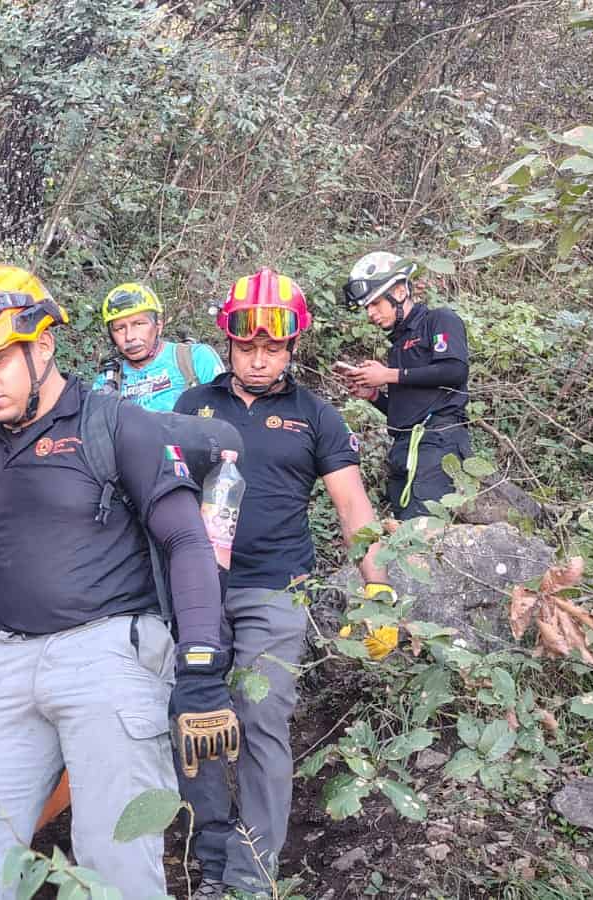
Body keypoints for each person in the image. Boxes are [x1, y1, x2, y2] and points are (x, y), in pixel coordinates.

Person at [0, 263, 232, 900]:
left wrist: (201, 665)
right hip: (10, 666)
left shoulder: (116, 423)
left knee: (115, 863)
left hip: (110, 657)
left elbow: (186, 540)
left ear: (42, 346)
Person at [173, 268, 395, 899]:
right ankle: (211, 861)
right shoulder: (193, 406)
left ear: (293, 346)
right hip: (197, 590)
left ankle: (253, 873)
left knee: (263, 719)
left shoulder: (315, 416)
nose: (259, 358)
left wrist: (378, 591)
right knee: (195, 717)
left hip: (275, 590)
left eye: (273, 347)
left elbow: (353, 509)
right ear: (229, 342)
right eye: (248, 346)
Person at [339, 252, 472, 520]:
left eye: (375, 303)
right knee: (403, 531)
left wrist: (389, 375)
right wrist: (373, 395)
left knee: (421, 531)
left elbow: (455, 370)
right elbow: (405, 411)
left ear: (400, 292)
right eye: (367, 307)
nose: (371, 313)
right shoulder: (398, 345)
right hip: (404, 447)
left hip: (437, 442)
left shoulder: (439, 320)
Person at [93, 281, 224, 411]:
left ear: (158, 326)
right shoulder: (107, 381)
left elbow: (225, 411)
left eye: (139, 324)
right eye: (120, 328)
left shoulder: (196, 358)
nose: (129, 336)